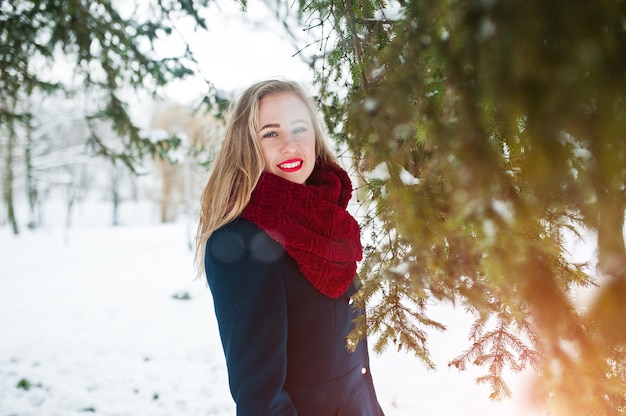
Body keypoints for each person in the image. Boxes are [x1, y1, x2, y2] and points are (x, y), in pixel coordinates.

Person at [195, 79, 385, 416]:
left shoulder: (329, 221)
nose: (290, 144)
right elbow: (261, 401)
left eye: (299, 128)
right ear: (247, 145)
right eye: (271, 133)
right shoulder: (240, 243)